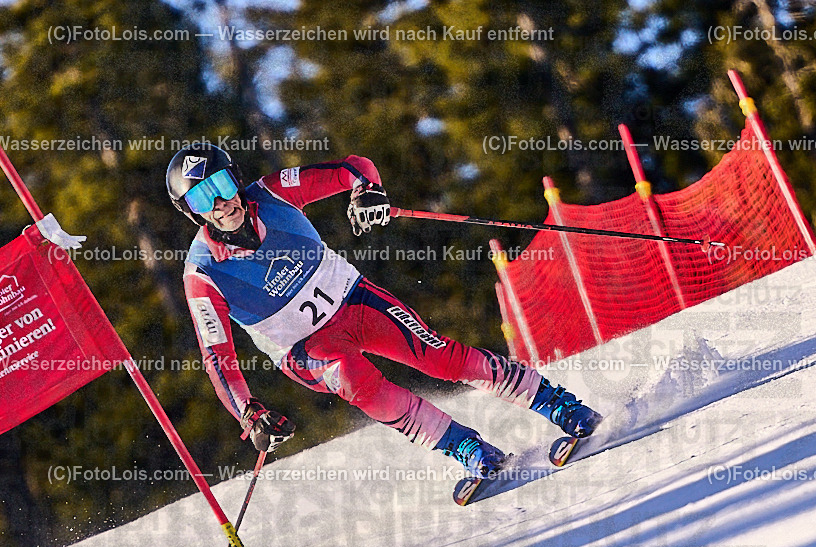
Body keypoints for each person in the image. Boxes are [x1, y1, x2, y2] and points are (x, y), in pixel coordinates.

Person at [166, 143, 601, 479]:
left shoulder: (273, 192)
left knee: (440, 358)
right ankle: (466, 447)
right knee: (360, 383)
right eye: (204, 199)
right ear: (191, 212)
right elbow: (217, 357)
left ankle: (557, 403)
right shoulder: (202, 274)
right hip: (307, 351)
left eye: (222, 185)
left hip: (355, 300)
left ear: (235, 181)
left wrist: (365, 192)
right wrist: (248, 413)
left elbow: (353, 167)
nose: (220, 203)